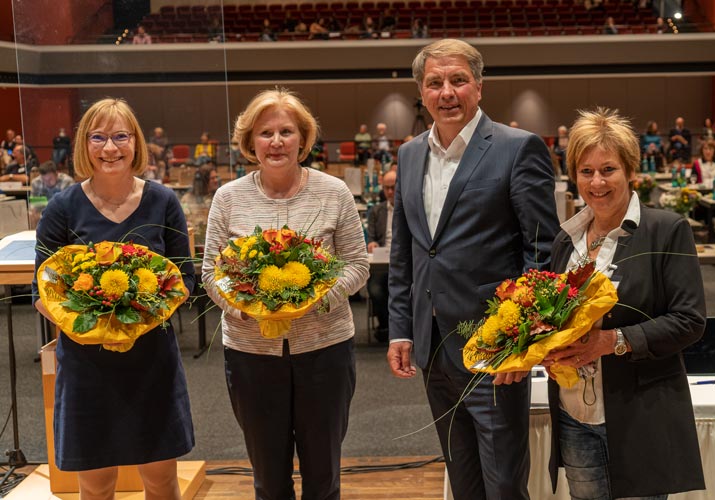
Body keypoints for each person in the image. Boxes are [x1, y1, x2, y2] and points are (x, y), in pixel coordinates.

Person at [387, 39, 559, 500]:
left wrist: (519, 340)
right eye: (435, 83)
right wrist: (401, 330)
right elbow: (406, 252)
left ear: (479, 88)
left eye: (458, 80)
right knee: (462, 480)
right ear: (421, 93)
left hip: (494, 350)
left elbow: (542, 252)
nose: (447, 92)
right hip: (433, 349)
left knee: (503, 484)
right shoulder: (408, 155)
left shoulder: (517, 148)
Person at [201, 88, 368, 500]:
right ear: (250, 142)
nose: (276, 142)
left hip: (325, 350)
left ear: (304, 139)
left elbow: (357, 265)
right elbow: (210, 273)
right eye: (265, 133)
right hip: (250, 354)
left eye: (287, 132)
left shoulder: (334, 192)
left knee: (323, 476)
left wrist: (316, 301)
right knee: (269, 480)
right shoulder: (228, 198)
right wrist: (245, 309)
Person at [32, 97, 196, 499]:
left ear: (136, 143)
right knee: (96, 486)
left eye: (121, 136)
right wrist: (97, 325)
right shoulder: (62, 208)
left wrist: (135, 317)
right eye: (99, 137)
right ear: (84, 146)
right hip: (88, 367)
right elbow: (44, 292)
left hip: (151, 362)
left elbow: (184, 280)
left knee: (160, 483)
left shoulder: (163, 201)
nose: (110, 148)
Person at [542, 107, 705, 499]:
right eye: (586, 171)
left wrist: (611, 340)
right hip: (573, 416)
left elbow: (689, 320)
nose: (596, 182)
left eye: (608, 169)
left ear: (631, 169)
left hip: (639, 415)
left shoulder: (666, 230)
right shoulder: (566, 240)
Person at [367, 169, 396, 342]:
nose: (390, 192)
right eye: (387, 188)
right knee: (376, 290)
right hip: (381, 261)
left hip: (404, 264)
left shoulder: (409, 208)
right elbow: (370, 237)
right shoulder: (376, 211)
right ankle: (386, 326)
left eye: (393, 187)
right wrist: (372, 244)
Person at [180, 163, 219, 247]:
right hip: (196, 242)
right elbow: (184, 222)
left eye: (216, 177)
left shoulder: (218, 198)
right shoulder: (187, 199)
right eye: (212, 178)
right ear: (204, 181)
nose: (216, 180)